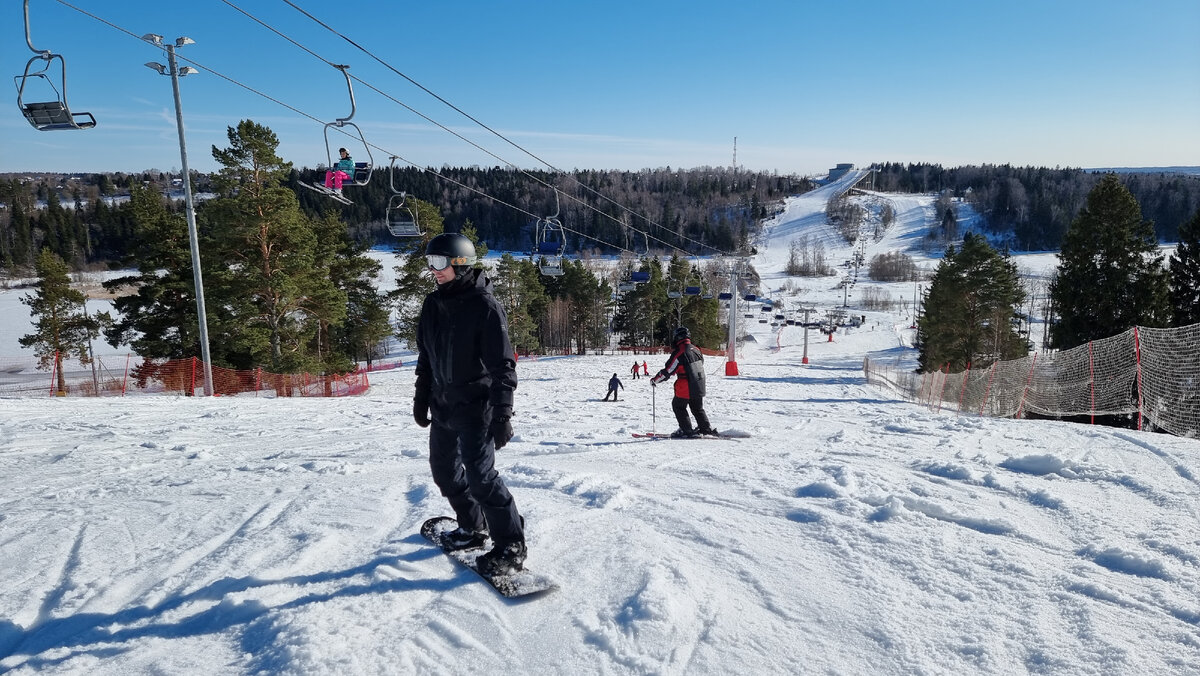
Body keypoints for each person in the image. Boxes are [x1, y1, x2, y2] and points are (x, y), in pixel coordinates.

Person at [413, 232, 527, 575]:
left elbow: (503, 367)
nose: (433, 270)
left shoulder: (484, 306)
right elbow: (426, 356)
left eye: (439, 263)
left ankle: (511, 544)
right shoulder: (433, 304)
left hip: (477, 407)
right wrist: (421, 396)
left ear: (460, 263)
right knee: (445, 474)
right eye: (429, 263)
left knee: (481, 477)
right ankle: (472, 527)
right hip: (443, 404)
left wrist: (503, 413)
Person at [650, 327, 718, 438]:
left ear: (678, 337)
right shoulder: (696, 349)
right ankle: (705, 429)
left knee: (678, 406)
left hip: (686, 385)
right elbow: (701, 363)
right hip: (699, 382)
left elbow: (668, 370)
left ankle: (686, 430)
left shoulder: (680, 352)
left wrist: (655, 380)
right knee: (697, 408)